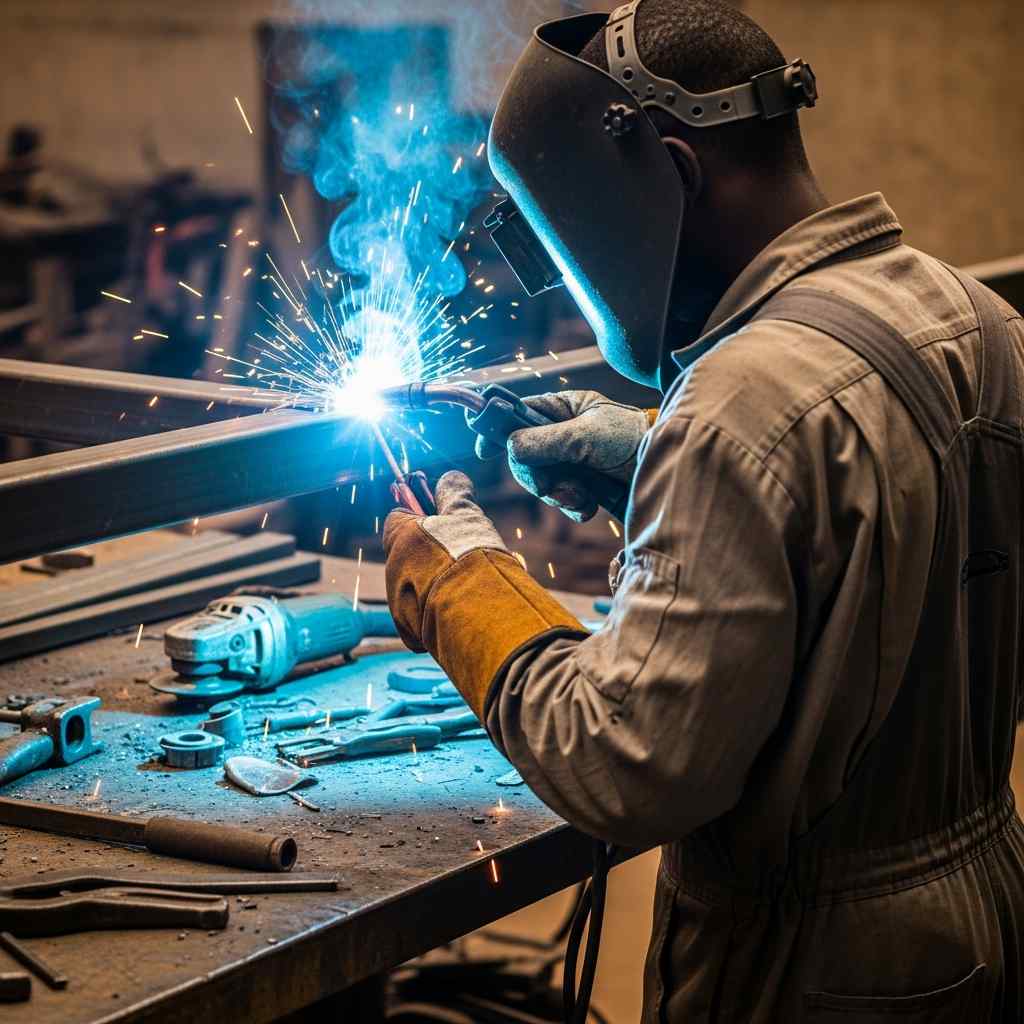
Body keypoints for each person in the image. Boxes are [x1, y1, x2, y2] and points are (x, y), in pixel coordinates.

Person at [382, 1, 1024, 1019]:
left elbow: (623, 764)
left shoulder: (739, 403)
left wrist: (463, 582)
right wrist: (655, 459)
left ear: (674, 175)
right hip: (985, 913)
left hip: (815, 970)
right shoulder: (973, 318)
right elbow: (888, 524)